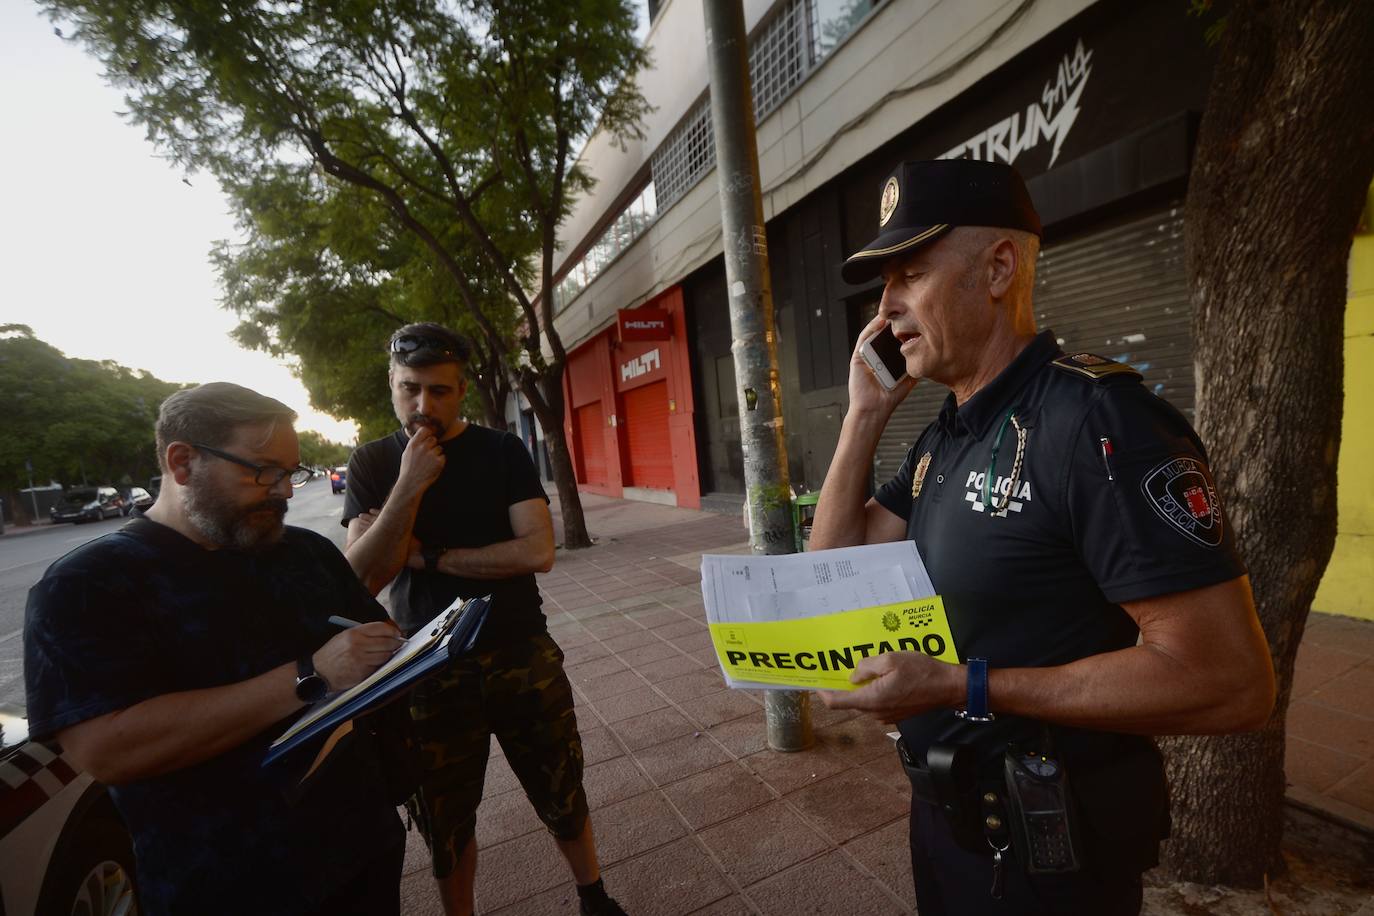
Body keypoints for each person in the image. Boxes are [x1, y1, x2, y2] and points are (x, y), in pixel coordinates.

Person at [810, 159, 1275, 915]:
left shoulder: (1101, 422)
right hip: (947, 820)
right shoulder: (945, 432)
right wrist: (864, 414)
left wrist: (963, 686)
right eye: (883, 283)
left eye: (912, 273)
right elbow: (832, 570)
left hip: (1050, 855)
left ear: (998, 269)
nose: (886, 307)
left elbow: (1230, 682)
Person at [24, 382, 408, 916]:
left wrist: (401, 656)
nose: (284, 492)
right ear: (182, 462)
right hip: (221, 886)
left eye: (289, 473)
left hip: (362, 852)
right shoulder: (88, 585)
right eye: (262, 470)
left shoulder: (307, 553)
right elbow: (106, 749)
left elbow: (376, 644)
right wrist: (310, 675)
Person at [342, 323, 625, 916]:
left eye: (440, 391)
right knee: (443, 814)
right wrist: (410, 484)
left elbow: (536, 552)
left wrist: (428, 555)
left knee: (561, 787)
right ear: (390, 385)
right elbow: (363, 577)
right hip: (425, 666)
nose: (424, 406)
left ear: (462, 389)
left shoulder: (502, 451)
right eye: (410, 389)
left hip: (519, 651)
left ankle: (593, 896)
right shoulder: (372, 462)